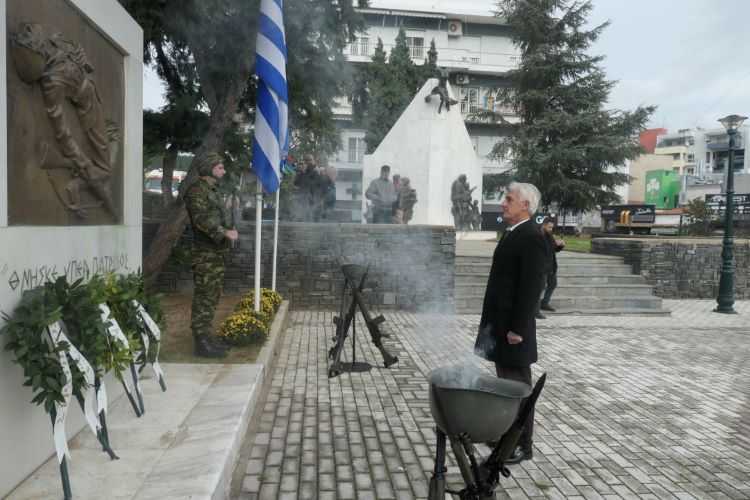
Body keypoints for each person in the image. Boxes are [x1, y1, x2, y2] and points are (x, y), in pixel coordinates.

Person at [474, 182, 546, 465]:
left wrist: (517, 328)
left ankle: (521, 445)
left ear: (525, 205)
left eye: (509, 199)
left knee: (518, 389)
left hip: (514, 331)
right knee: (507, 386)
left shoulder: (531, 237)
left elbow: (531, 289)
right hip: (501, 326)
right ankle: (507, 435)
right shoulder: (514, 233)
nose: (503, 203)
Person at [184, 153, 239, 358]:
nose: (223, 171)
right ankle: (201, 343)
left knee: (213, 295)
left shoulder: (212, 190)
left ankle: (206, 336)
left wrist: (230, 223)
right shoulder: (196, 191)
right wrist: (224, 232)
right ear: (208, 168)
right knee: (204, 296)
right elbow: (200, 219)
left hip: (216, 253)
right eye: (220, 167)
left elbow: (217, 216)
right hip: (205, 254)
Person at [538, 217, 565, 316]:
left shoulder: (550, 235)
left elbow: (553, 250)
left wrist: (560, 246)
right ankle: (535, 310)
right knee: (540, 287)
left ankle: (544, 303)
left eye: (552, 227)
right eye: (549, 227)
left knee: (553, 284)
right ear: (544, 225)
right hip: (542, 266)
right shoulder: (539, 235)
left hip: (551, 266)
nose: (551, 229)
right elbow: (543, 250)